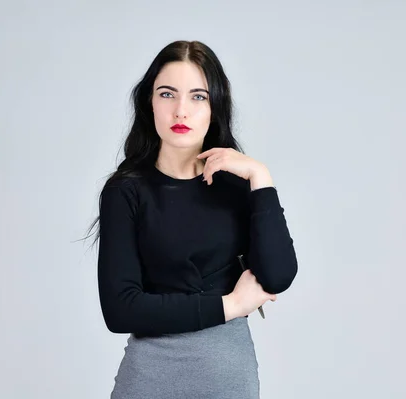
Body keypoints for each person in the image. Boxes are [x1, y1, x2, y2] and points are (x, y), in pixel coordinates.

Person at [89, 40, 298, 399]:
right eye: (167, 94)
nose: (181, 111)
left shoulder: (238, 185)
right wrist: (230, 305)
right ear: (149, 103)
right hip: (149, 380)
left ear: (215, 106)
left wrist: (261, 178)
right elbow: (120, 310)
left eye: (198, 96)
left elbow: (277, 276)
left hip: (228, 380)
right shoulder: (125, 192)